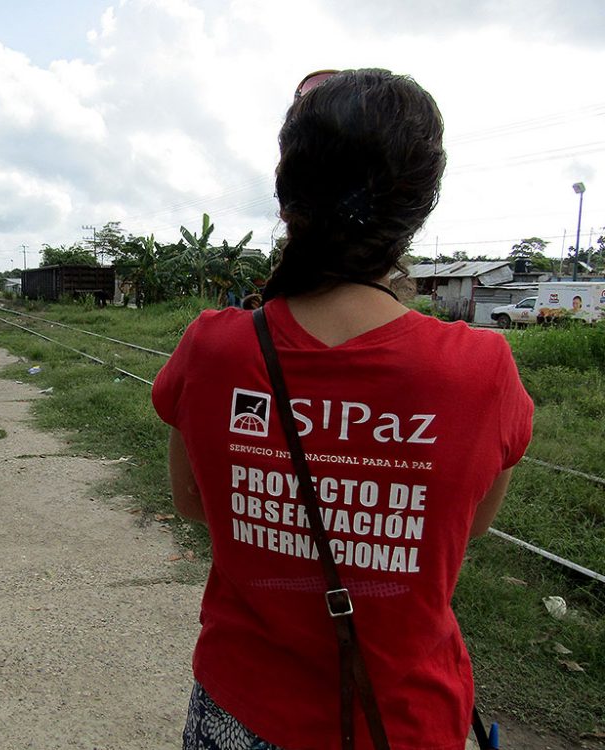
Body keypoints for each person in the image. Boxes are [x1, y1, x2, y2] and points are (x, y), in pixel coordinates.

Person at [152, 69, 533, 750]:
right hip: (406, 721)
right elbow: (465, 529)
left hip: (241, 713)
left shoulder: (212, 348)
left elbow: (189, 501)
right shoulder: (480, 370)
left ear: (287, 197)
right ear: (419, 205)